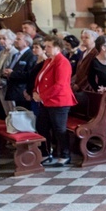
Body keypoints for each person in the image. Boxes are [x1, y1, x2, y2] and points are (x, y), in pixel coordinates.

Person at [34, 37, 77, 167]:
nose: (46, 49)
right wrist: (35, 91)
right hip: (46, 100)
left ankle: (65, 155)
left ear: (58, 48)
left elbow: (60, 85)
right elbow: (40, 79)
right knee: (42, 127)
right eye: (45, 46)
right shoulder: (48, 61)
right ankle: (45, 153)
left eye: (49, 46)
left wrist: (41, 96)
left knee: (59, 129)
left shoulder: (62, 62)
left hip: (59, 101)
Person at [3, 32, 35, 110]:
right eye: (15, 39)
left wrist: (12, 73)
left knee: (23, 116)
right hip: (13, 90)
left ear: (26, 43)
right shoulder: (16, 55)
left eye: (18, 39)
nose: (15, 41)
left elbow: (30, 74)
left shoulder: (31, 56)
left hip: (23, 92)